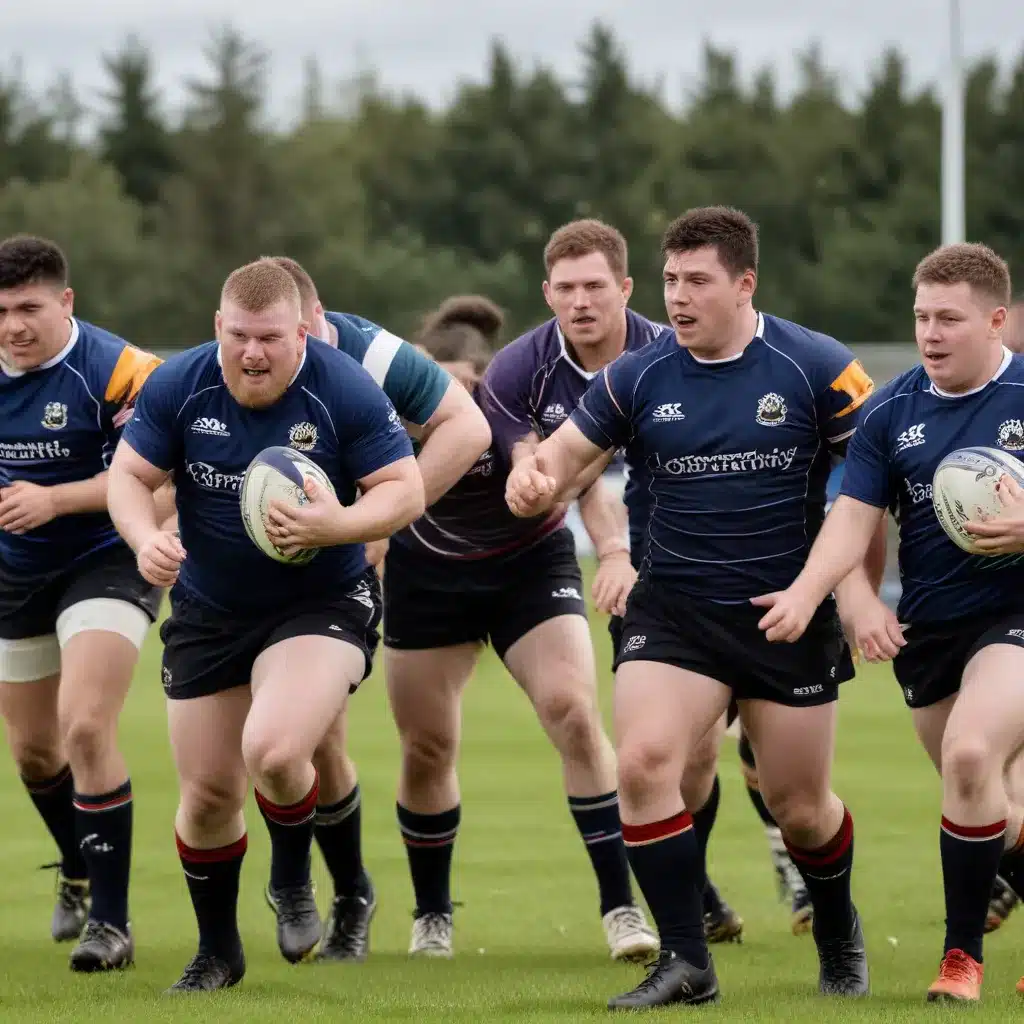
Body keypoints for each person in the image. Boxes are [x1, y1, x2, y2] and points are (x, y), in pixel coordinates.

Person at [507, 206, 878, 1009]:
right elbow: (563, 458)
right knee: (643, 765)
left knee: (801, 807)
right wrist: (533, 478)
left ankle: (841, 929)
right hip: (673, 611)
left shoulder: (816, 365)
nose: (678, 297)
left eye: (697, 281)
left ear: (744, 284)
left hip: (786, 611)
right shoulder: (636, 374)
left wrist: (823, 592)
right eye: (671, 280)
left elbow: (872, 486)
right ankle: (685, 962)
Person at [106, 258, 425, 992]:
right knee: (210, 796)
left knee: (277, 752)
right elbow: (129, 477)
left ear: (303, 333)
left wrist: (339, 522)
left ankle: (290, 881)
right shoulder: (181, 385)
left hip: (321, 603)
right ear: (218, 327)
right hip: (210, 611)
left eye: (271, 339)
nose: (253, 353)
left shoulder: (342, 389)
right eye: (240, 336)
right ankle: (218, 952)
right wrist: (143, 538)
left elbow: (404, 490)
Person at [754, 241, 1024, 1002]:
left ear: (996, 320)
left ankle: (959, 962)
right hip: (932, 631)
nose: (931, 333)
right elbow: (850, 521)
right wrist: (841, 597)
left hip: (1016, 618)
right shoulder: (889, 412)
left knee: (972, 757)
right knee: (996, 813)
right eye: (921, 318)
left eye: (950, 319)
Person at [382, 220, 658, 962]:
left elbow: (575, 474)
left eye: (593, 285)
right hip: (427, 577)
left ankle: (621, 910)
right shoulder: (396, 415)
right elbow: (370, 508)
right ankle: (432, 914)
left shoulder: (512, 385)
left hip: (526, 569)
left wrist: (613, 550)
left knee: (573, 711)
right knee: (427, 746)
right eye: (564, 288)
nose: (454, 405)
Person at [259, 256, 491, 962]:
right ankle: (350, 884)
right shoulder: (240, 357)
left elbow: (470, 428)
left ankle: (346, 896)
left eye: (301, 335)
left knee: (313, 738)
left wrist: (379, 519)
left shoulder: (368, 350)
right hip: (253, 573)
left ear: (318, 317)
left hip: (338, 571)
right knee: (295, 751)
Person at [0, 235, 166, 972]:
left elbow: (156, 476)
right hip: (16, 574)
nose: (13, 326)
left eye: (29, 308)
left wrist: (56, 499)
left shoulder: (124, 370)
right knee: (35, 750)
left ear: (65, 302)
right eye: (0, 312)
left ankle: (112, 923)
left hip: (110, 557)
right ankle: (74, 863)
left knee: (86, 724)